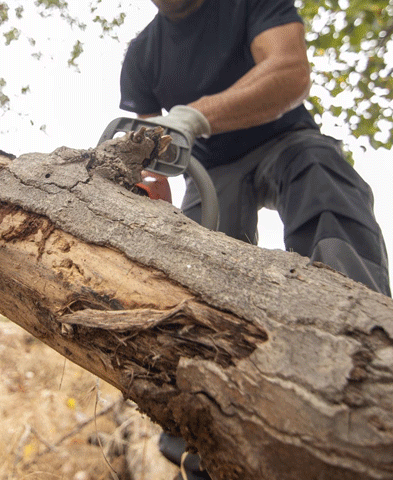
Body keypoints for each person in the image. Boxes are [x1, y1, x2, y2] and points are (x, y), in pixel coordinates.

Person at [118, 0, 391, 478]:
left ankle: (367, 346)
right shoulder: (142, 54)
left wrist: (197, 114)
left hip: (287, 139)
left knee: (320, 176)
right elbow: (150, 152)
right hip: (213, 170)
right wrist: (149, 215)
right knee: (197, 264)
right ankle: (203, 429)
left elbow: (288, 71)